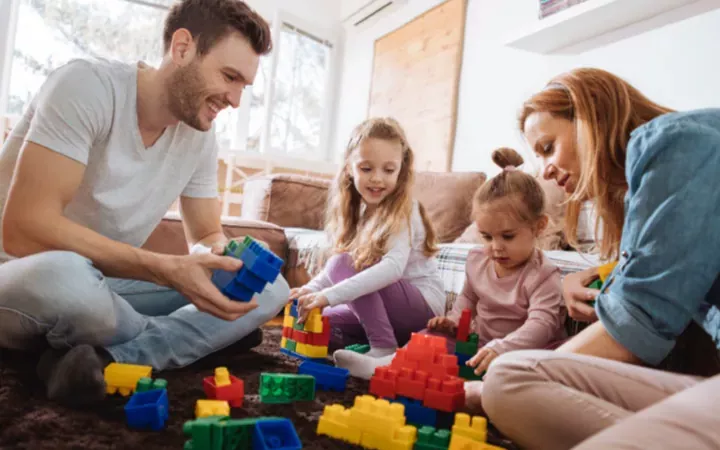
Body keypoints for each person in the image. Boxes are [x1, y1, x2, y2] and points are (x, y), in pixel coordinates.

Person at [0, 0, 290, 408]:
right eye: (230, 76)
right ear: (183, 47)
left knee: (271, 289)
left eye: (244, 85)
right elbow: (24, 228)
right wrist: (164, 270)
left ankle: (109, 358)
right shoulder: (87, 86)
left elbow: (207, 234)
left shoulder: (200, 138)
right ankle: (189, 337)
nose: (236, 100)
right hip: (22, 271)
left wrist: (223, 261)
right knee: (73, 285)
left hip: (107, 282)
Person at [481, 68, 720, 449]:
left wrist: (542, 369)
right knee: (506, 382)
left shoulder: (674, 141)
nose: (544, 169)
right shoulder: (668, 168)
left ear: (590, 115)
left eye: (547, 147)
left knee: (512, 377)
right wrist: (592, 275)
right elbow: (665, 265)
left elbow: (638, 320)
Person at [289, 117, 446, 377]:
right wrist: (311, 290)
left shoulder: (405, 209)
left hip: (421, 309)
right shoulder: (361, 210)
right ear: (350, 169)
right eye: (366, 168)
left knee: (346, 264)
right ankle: (379, 347)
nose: (377, 179)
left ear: (401, 171)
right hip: (386, 313)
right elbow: (334, 272)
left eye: (388, 170)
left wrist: (330, 295)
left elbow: (392, 268)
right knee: (321, 321)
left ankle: (383, 348)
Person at [426, 148, 566, 405]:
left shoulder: (544, 275)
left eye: (507, 236)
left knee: (552, 365)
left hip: (524, 351)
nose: (495, 247)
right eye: (487, 237)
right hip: (481, 347)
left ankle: (490, 390)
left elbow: (542, 326)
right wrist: (453, 322)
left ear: (539, 226)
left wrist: (502, 348)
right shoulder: (478, 261)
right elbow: (466, 302)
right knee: (427, 340)